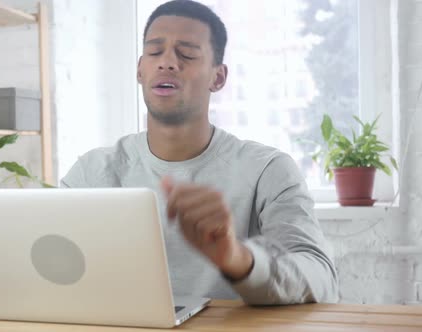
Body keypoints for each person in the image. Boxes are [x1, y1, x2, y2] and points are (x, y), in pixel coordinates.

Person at [61, 0, 339, 305]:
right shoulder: (92, 172)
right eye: (155, 52)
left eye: (187, 54)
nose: (167, 63)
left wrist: (238, 258)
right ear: (140, 70)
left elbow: (321, 278)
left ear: (217, 78)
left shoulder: (268, 170)